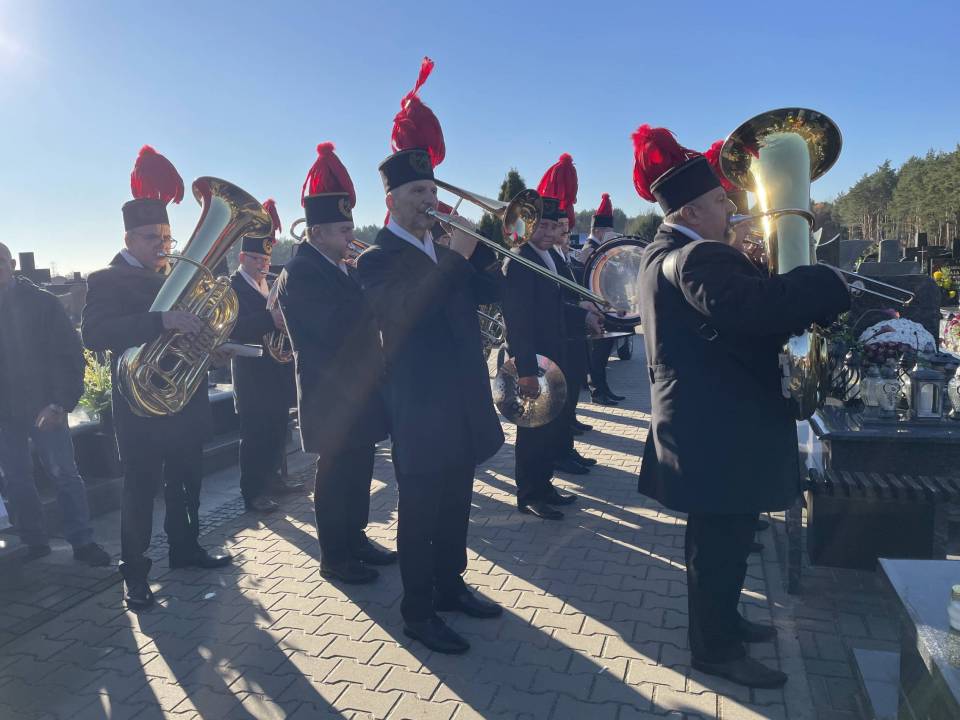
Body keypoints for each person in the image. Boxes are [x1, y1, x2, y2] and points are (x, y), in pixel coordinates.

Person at [632, 124, 849, 688]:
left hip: (706, 421)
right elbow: (756, 309)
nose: (731, 209)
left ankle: (723, 622)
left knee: (721, 539)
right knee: (719, 544)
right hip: (717, 425)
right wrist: (823, 281)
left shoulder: (666, 252)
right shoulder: (697, 257)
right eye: (719, 201)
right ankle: (715, 650)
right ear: (691, 211)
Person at [357, 57, 504, 655]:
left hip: (462, 399)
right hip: (418, 407)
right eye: (418, 192)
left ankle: (451, 586)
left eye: (433, 190)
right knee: (419, 515)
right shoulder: (375, 260)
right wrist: (456, 255)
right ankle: (417, 612)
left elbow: (492, 292)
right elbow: (405, 312)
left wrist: (486, 247)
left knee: (457, 505)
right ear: (391, 199)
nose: (429, 200)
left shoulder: (445, 249)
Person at [81, 146, 231, 611]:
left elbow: (193, 328)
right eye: (151, 238)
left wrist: (207, 343)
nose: (162, 245)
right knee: (140, 491)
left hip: (183, 400)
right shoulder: (105, 279)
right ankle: (135, 573)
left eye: (167, 236)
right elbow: (94, 334)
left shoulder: (179, 275)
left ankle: (186, 549)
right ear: (128, 238)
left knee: (187, 481)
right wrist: (159, 321)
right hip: (140, 407)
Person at [276, 142, 394, 584]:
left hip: (356, 389)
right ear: (317, 232)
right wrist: (370, 289)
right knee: (334, 475)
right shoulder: (302, 271)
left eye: (350, 229)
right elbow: (331, 327)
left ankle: (355, 537)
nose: (351, 237)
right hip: (329, 392)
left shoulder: (339, 266)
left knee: (359, 468)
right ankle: (334, 555)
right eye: (344, 230)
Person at [0, 242, 110, 566]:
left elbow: (70, 355)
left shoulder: (42, 302)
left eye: (1, 261)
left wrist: (60, 403)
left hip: (45, 407)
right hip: (5, 414)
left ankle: (83, 541)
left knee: (64, 474)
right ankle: (34, 540)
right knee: (16, 480)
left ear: (12, 264)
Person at [502, 189, 601, 521]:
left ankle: (544, 486)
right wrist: (526, 371)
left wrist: (583, 315)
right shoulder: (519, 260)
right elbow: (519, 322)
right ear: (527, 226)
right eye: (541, 226)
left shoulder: (547, 257)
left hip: (554, 356)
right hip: (534, 360)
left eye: (552, 226)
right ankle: (529, 494)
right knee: (532, 430)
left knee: (548, 428)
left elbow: (555, 306)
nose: (548, 232)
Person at [227, 199, 301, 514]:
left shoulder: (270, 284)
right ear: (243, 257)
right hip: (251, 373)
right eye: (257, 258)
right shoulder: (231, 288)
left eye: (266, 259)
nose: (263, 265)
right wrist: (269, 320)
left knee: (277, 429)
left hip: (276, 370)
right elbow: (232, 328)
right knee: (254, 436)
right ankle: (253, 493)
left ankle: (275, 481)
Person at [581, 193, 625, 406]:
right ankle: (597, 391)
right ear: (598, 231)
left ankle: (604, 388)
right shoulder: (590, 249)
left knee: (604, 353)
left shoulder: (603, 248)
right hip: (597, 308)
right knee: (597, 355)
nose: (612, 234)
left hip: (607, 307)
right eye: (608, 230)